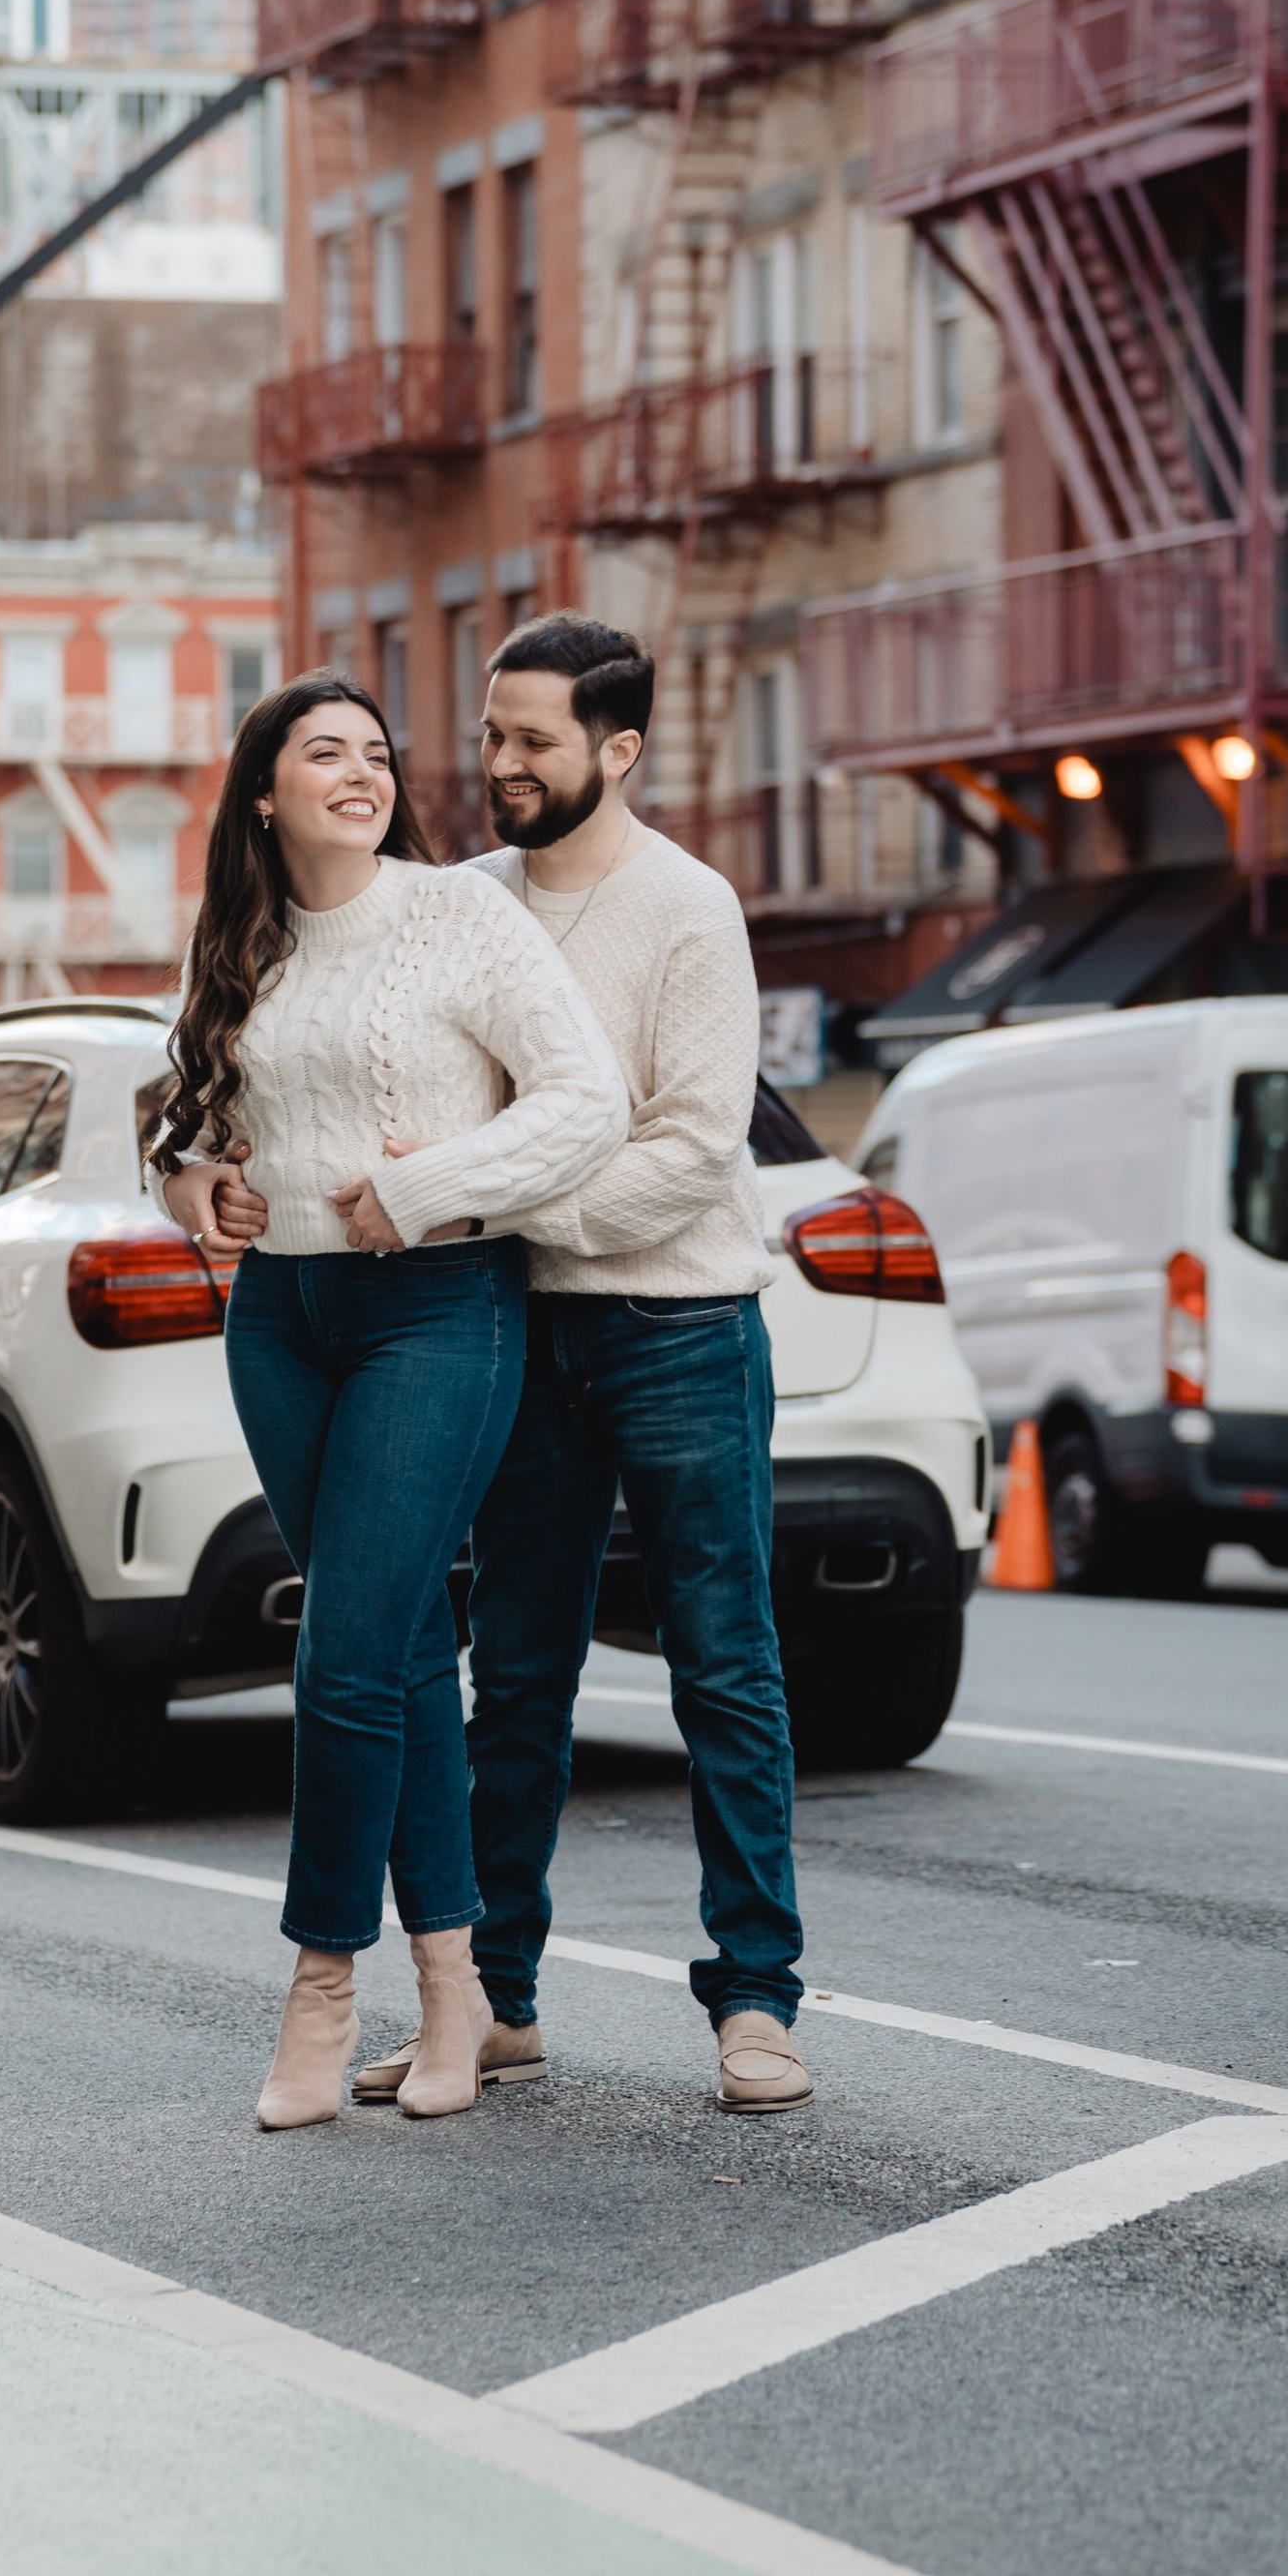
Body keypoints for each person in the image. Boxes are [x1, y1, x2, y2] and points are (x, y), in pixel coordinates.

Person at [209, 616, 811, 2115]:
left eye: (535, 741)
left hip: (672, 1322)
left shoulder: (690, 907)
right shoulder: (452, 900)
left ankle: (753, 2000)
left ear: (617, 750)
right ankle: (504, 2001)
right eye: (488, 735)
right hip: (513, 1327)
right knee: (516, 1676)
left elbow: (689, 1146)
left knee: (722, 1670)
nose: (500, 766)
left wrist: (486, 1199)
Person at [152, 672, 628, 2134]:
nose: (361, 773)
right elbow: (179, 1115)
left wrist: (426, 1186)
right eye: (323, 754)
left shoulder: (457, 917)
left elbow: (584, 1100)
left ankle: (317, 1986)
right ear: (263, 793)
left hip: (435, 1307)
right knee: (408, 1650)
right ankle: (454, 1988)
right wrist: (187, 1182)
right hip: (279, 1321)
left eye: (375, 753)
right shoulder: (239, 940)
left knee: (346, 1658)